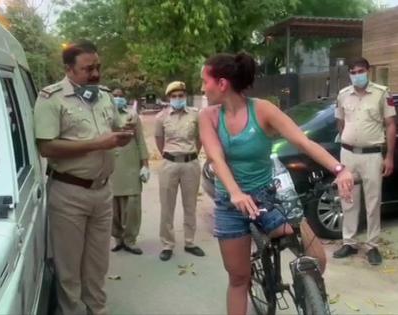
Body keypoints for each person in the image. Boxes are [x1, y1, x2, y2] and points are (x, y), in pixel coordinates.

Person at [199, 52, 354, 315]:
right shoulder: (208, 117)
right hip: (230, 202)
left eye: (205, 81)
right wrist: (236, 193)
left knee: (317, 258)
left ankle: (312, 299)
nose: (202, 87)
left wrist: (339, 169)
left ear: (222, 84)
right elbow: (216, 158)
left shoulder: (262, 110)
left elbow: (303, 142)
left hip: (268, 195)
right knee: (239, 279)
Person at [34, 40, 133, 315]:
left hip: (102, 192)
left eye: (97, 67)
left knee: (97, 263)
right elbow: (46, 147)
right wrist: (98, 144)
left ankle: (96, 310)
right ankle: (71, 311)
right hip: (69, 193)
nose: (95, 73)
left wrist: (123, 135)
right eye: (88, 69)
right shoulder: (50, 99)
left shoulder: (103, 95)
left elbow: (113, 130)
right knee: (69, 266)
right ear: (68, 69)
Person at [334, 57, 396, 265]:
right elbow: (340, 123)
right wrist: (347, 143)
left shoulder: (381, 93)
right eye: (353, 71)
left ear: (368, 71)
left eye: (360, 71)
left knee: (373, 202)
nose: (356, 75)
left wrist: (389, 157)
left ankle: (372, 246)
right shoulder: (343, 95)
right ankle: (349, 243)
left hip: (372, 155)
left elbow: (390, 125)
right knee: (348, 199)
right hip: (348, 154)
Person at [155, 81, 205, 261]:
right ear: (169, 98)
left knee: (190, 205)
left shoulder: (195, 115)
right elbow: (159, 140)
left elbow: (199, 138)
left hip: (190, 164)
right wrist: (168, 155)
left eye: (181, 96)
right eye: (174, 96)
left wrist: (191, 153)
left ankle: (190, 242)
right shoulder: (161, 117)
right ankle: (167, 244)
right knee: (167, 206)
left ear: (186, 96)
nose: (178, 99)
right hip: (169, 163)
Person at [110, 88, 150, 255]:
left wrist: (145, 165)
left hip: (131, 166)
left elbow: (140, 140)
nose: (118, 98)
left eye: (121, 96)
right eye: (115, 96)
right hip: (111, 167)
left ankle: (130, 240)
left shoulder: (132, 115)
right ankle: (118, 239)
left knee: (132, 207)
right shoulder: (104, 115)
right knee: (113, 208)